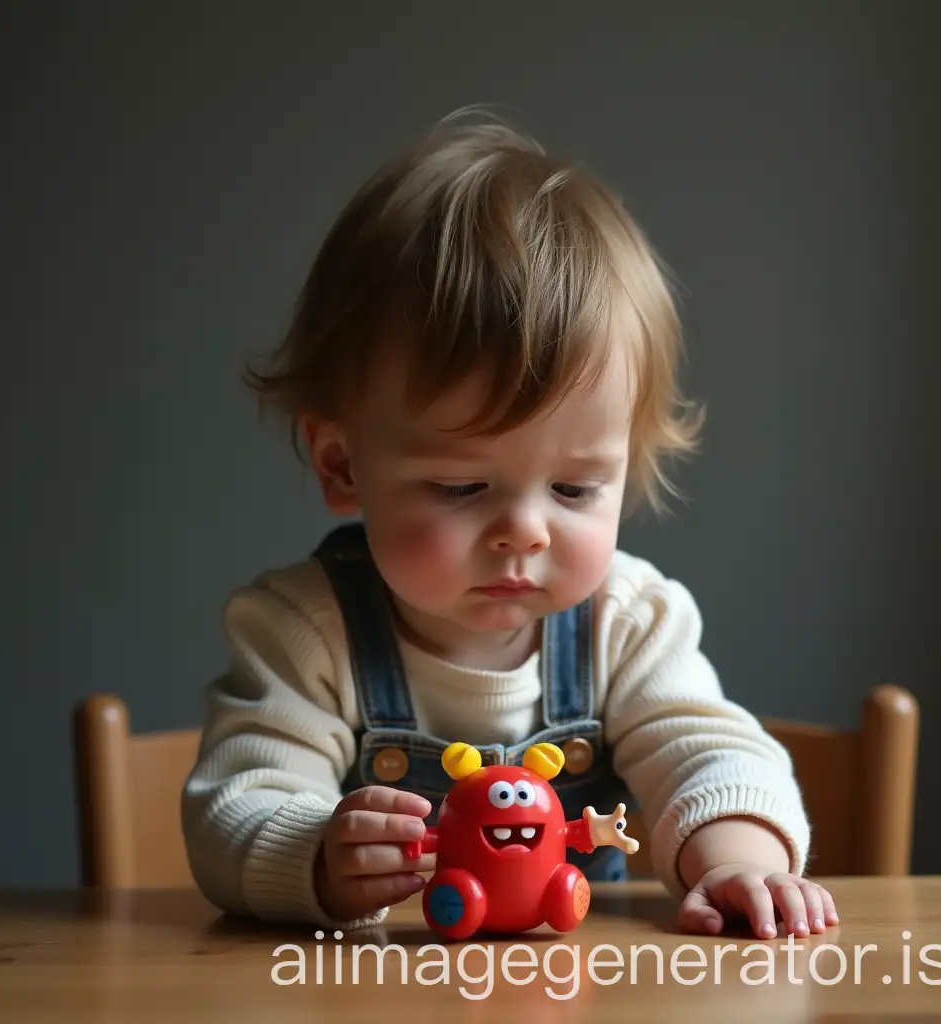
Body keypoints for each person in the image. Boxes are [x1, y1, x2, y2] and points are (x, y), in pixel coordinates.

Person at [181, 109, 838, 941]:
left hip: (569, 985)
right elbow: (237, 804)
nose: (524, 531)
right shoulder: (306, 631)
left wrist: (735, 862)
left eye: (573, 487)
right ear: (345, 466)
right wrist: (313, 852)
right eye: (461, 486)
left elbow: (709, 758)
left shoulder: (627, 623)